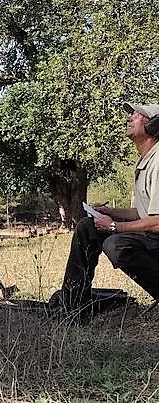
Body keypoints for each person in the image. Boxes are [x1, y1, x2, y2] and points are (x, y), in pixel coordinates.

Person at [49, 102, 159, 316]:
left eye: (137, 115)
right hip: (150, 236)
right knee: (87, 227)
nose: (129, 118)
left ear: (153, 125)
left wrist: (114, 227)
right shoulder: (147, 160)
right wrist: (110, 213)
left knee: (116, 244)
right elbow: (143, 213)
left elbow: (157, 222)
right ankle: (73, 305)